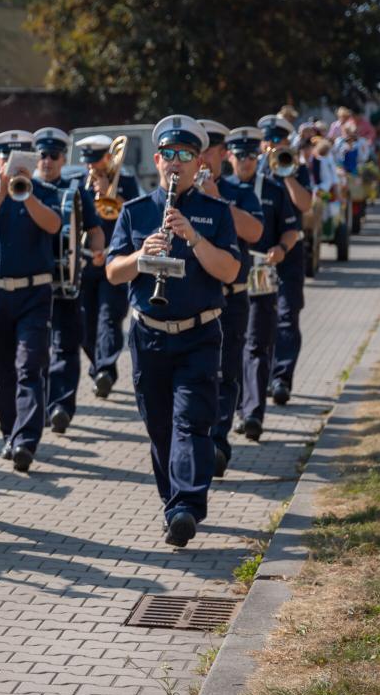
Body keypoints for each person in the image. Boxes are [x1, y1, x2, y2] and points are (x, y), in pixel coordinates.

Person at [106, 115, 239, 548]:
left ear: (199, 162)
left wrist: (196, 241)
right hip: (149, 336)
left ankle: (186, 504)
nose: (175, 164)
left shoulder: (215, 212)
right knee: (160, 427)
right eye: (168, 155)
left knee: (190, 423)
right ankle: (174, 504)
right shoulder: (136, 211)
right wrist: (141, 256)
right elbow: (112, 272)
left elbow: (231, 270)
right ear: (158, 161)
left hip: (199, 335)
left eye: (185, 155)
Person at [0, 130, 61, 471]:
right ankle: (10, 433)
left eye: (19, 157)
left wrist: (26, 195)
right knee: (1, 371)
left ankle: (26, 440)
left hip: (34, 292)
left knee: (30, 366)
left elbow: (53, 226)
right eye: (5, 156)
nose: (11, 162)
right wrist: (0, 191)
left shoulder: (45, 192)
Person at [195, 120, 263, 477]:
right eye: (198, 149)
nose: (203, 157)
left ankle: (218, 443)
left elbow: (254, 231)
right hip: (193, 298)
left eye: (209, 150)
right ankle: (197, 441)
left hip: (231, 297)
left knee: (226, 373)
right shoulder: (180, 191)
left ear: (224, 153)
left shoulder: (238, 191)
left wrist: (218, 201)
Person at [228, 127, 301, 442]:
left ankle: (253, 413)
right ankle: (238, 408)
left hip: (260, 274)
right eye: (240, 155)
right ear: (229, 156)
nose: (246, 161)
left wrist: (281, 249)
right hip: (227, 277)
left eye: (251, 155)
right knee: (232, 345)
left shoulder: (273, 188)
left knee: (257, 344)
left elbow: (292, 230)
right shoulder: (218, 190)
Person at [37, 127, 104, 434]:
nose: (47, 161)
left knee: (66, 344)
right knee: (35, 350)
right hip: (32, 282)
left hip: (66, 280)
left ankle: (61, 406)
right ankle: (38, 407)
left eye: (53, 156)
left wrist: (99, 250)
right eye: (42, 155)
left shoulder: (75, 192)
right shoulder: (25, 189)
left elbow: (93, 228)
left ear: (63, 159)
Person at [76, 133, 140, 400]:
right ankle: (99, 366)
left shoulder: (126, 182)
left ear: (108, 158)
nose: (93, 169)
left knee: (109, 317)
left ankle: (105, 369)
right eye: (89, 164)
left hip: (116, 260)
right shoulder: (80, 184)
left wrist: (112, 196)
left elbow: (137, 215)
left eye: (98, 163)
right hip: (87, 261)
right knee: (84, 324)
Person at [257, 115, 313, 409]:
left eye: (278, 142)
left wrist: (288, 172)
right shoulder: (254, 172)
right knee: (261, 319)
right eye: (269, 142)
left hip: (290, 254)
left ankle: (282, 379)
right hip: (260, 256)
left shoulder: (298, 168)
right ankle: (261, 377)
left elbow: (305, 204)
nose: (273, 146)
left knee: (287, 315)